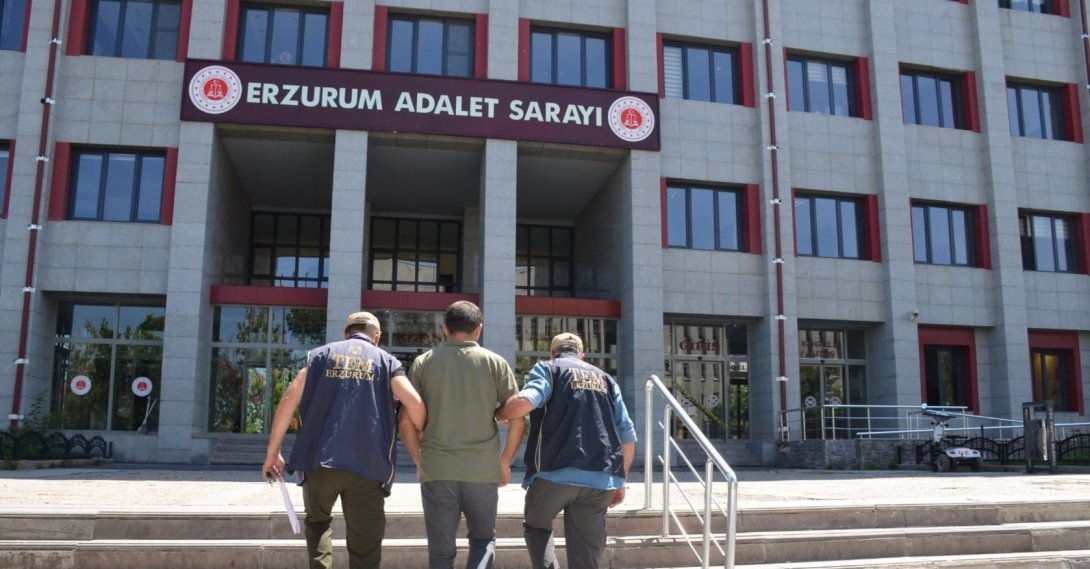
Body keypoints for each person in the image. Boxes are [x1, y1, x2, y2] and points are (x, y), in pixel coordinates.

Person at [262, 311, 426, 569]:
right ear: (377, 336)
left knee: (318, 524)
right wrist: (421, 435)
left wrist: (274, 452)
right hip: (367, 466)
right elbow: (414, 403)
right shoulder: (386, 361)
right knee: (366, 545)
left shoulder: (318, 357)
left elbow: (288, 400)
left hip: (318, 462)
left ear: (345, 334)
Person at [495, 332, 637, 569]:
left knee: (537, 526)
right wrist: (621, 481)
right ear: (582, 354)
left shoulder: (549, 369)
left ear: (553, 352)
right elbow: (628, 434)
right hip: (599, 479)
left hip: (553, 472)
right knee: (586, 554)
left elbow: (524, 403)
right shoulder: (607, 380)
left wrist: (500, 414)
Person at [400, 300, 524, 569]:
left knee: (441, 553)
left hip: (438, 469)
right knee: (482, 541)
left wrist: (420, 460)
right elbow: (518, 419)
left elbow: (406, 422)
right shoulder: (496, 363)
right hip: (482, 470)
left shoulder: (423, 363)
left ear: (444, 328)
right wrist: (504, 461)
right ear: (478, 330)